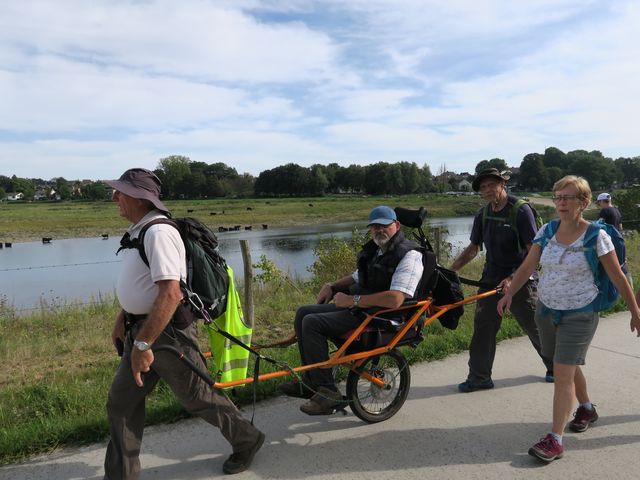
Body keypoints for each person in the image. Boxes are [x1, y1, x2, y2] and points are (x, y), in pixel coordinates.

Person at [103, 168, 264, 478]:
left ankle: (247, 438)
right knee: (121, 403)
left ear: (139, 197)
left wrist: (142, 344)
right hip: (142, 331)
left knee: (198, 397)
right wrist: (123, 318)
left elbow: (170, 293)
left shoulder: (159, 233)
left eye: (120, 192)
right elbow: (145, 287)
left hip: (165, 335)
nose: (115, 198)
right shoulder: (141, 230)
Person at [497, 175, 640, 463]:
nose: (561, 203)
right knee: (565, 364)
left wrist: (635, 311)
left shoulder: (595, 237)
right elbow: (528, 266)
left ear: (584, 203)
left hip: (581, 312)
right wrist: (510, 292)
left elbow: (617, 275)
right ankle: (586, 407)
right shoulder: (547, 231)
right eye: (558, 197)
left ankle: (555, 439)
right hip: (547, 309)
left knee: (561, 374)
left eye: (568, 197)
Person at [278, 205, 424, 415]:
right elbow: (358, 276)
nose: (379, 230)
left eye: (384, 225)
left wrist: (352, 300)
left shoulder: (409, 255)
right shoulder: (377, 250)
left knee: (312, 322)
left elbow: (395, 299)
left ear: (397, 226)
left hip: (381, 317)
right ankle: (310, 381)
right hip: (363, 310)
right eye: (374, 226)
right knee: (303, 312)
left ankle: (328, 392)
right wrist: (332, 286)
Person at [450, 168, 553, 393]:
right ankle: (479, 377)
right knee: (483, 329)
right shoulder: (483, 214)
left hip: (521, 279)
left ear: (502, 184)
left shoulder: (521, 211)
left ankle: (555, 367)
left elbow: (533, 251)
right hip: (491, 280)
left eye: (491, 185)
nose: (487, 190)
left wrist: (513, 278)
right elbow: (473, 248)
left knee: (534, 326)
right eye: (483, 187)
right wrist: (452, 269)